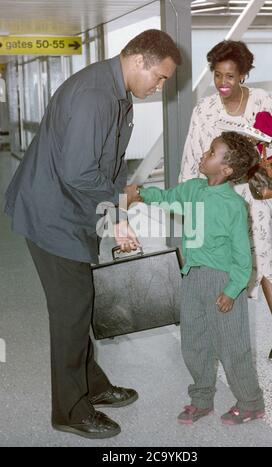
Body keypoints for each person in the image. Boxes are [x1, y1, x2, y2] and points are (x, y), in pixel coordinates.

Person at [4, 29, 181, 439]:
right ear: (138, 60)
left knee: (78, 303)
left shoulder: (119, 95)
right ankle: (69, 410)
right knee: (71, 311)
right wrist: (116, 213)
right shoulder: (95, 96)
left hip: (72, 206)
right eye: (159, 77)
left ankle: (93, 387)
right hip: (51, 212)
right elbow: (79, 171)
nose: (160, 86)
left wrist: (112, 209)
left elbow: (110, 163)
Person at [135, 132, 265, 425]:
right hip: (192, 278)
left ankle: (250, 402)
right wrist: (140, 194)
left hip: (223, 282)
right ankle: (202, 398)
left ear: (226, 169)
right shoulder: (193, 189)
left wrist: (232, 290)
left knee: (233, 345)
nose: (204, 154)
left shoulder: (233, 206)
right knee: (194, 342)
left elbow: (243, 258)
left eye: (211, 152)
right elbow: (167, 198)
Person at [179, 40, 272, 360]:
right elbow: (193, 155)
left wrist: (265, 139)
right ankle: (223, 335)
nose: (223, 84)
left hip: (254, 192)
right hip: (218, 195)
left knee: (263, 258)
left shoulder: (261, 100)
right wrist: (189, 198)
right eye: (217, 75)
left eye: (230, 76)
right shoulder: (205, 110)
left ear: (243, 74)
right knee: (223, 261)